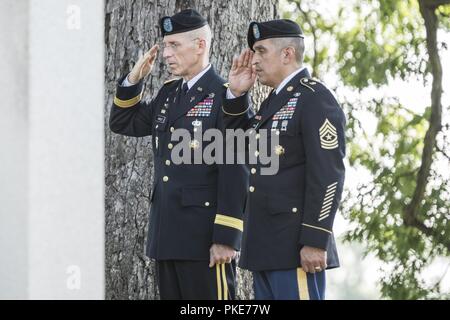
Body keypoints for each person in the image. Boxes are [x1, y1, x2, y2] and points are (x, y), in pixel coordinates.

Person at [109, 9, 247, 300]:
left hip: (205, 240)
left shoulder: (225, 96)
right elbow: (123, 122)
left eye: (174, 45)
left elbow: (235, 169)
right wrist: (135, 78)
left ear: (200, 46)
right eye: (165, 46)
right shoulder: (168, 94)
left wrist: (226, 238)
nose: (166, 54)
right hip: (167, 235)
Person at [222, 19, 346, 300]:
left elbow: (329, 175)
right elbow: (238, 149)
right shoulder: (272, 103)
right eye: (253, 52)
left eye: (261, 51)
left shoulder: (315, 98)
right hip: (265, 247)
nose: (254, 61)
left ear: (287, 54)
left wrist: (316, 239)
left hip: (295, 248)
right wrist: (236, 95)